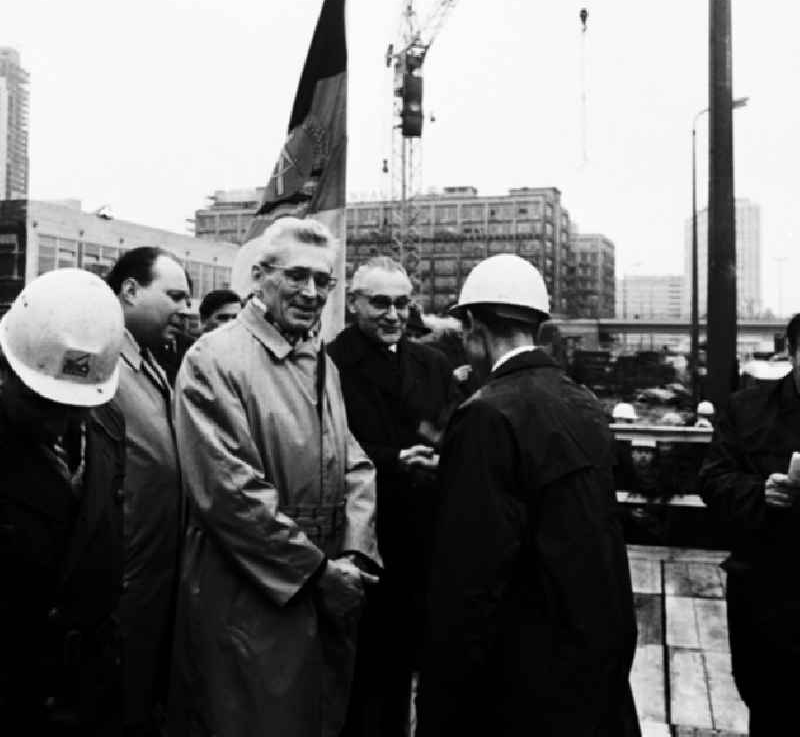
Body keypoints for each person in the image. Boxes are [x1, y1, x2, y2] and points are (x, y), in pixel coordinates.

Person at [169, 216, 380, 737]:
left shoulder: (317, 360)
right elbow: (229, 493)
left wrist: (354, 552)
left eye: (323, 281)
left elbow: (352, 460)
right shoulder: (214, 360)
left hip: (323, 582)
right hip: (252, 588)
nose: (311, 292)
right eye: (296, 276)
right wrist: (315, 571)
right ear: (260, 276)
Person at [416, 253, 640, 737]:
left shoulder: (486, 416)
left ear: (472, 324)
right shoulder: (580, 400)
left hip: (518, 684)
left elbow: (469, 580)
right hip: (588, 665)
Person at [327, 256, 458, 737]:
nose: (393, 315)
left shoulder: (432, 363)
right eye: (379, 303)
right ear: (354, 304)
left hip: (421, 535)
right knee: (362, 671)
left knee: (407, 665)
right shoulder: (331, 363)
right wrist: (394, 458)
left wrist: (438, 459)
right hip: (362, 534)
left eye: (402, 304)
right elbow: (331, 447)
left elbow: (450, 429)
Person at [0, 268, 126, 735]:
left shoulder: (108, 425)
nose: (60, 421)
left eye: (75, 405)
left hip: (87, 693)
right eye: (43, 403)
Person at [698, 313, 800, 736]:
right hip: (770, 595)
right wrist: (762, 494)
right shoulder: (746, 410)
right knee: (773, 709)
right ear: (792, 354)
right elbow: (713, 480)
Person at [106, 247, 191, 735]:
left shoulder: (150, 361)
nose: (184, 308)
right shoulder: (100, 363)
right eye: (174, 295)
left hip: (156, 579)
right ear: (131, 290)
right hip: (124, 582)